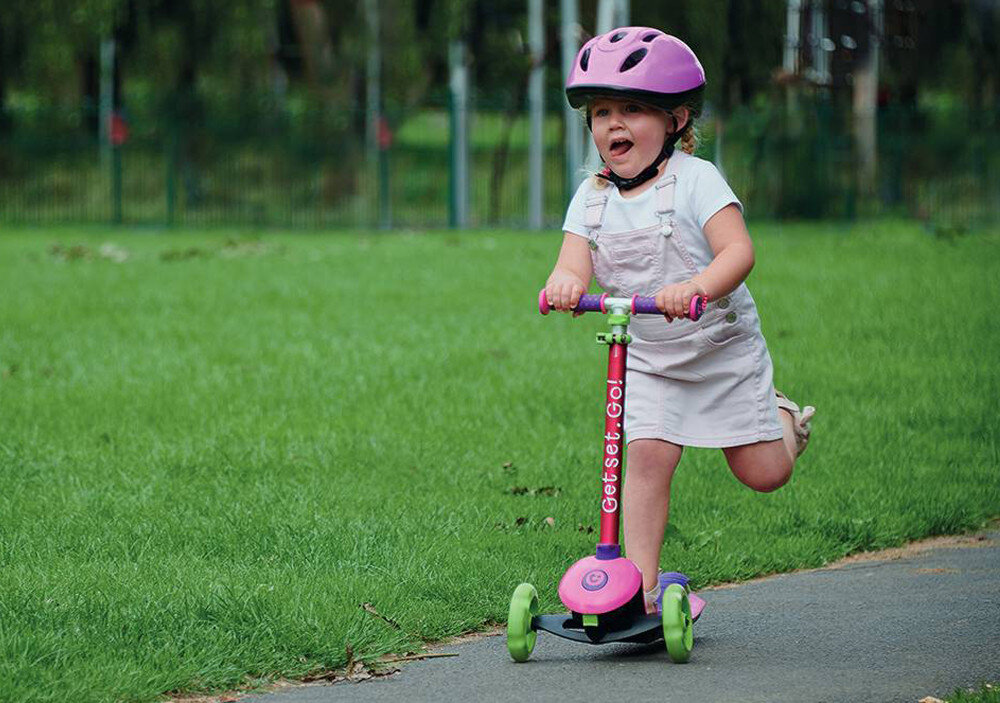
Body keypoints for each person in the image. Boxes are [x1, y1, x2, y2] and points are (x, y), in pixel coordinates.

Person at [544, 27, 816, 614]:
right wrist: (565, 283)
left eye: (633, 109)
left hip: (719, 348)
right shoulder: (590, 197)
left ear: (675, 120)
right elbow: (572, 260)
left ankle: (784, 417)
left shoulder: (697, 179)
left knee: (764, 473)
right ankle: (636, 594)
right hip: (647, 357)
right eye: (602, 112)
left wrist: (695, 286)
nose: (614, 124)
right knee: (643, 459)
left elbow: (738, 253)